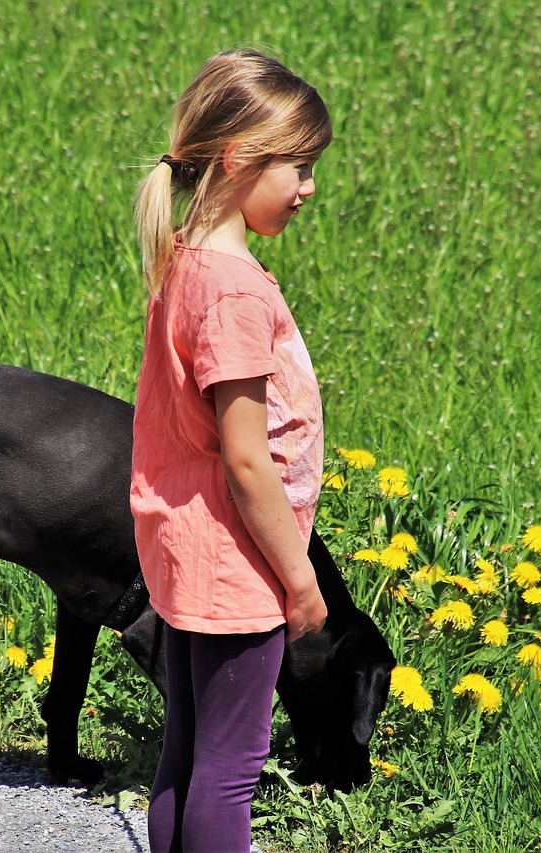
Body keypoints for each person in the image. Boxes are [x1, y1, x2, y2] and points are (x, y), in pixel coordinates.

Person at [130, 48, 332, 852]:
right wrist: (300, 575)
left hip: (188, 546)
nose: (310, 187)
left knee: (186, 754)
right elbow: (248, 462)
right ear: (242, 160)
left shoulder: (185, 259)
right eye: (301, 166)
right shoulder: (237, 292)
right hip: (238, 558)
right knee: (231, 769)